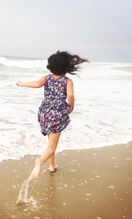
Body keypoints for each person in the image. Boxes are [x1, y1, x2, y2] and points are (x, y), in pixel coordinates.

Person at [16, 51, 87, 181]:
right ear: (66, 67)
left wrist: (22, 83)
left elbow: (36, 84)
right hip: (58, 113)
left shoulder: (46, 78)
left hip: (45, 111)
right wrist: (71, 107)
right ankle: (39, 161)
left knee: (50, 142)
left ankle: (52, 166)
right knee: (51, 146)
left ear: (51, 66)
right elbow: (70, 96)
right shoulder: (67, 81)